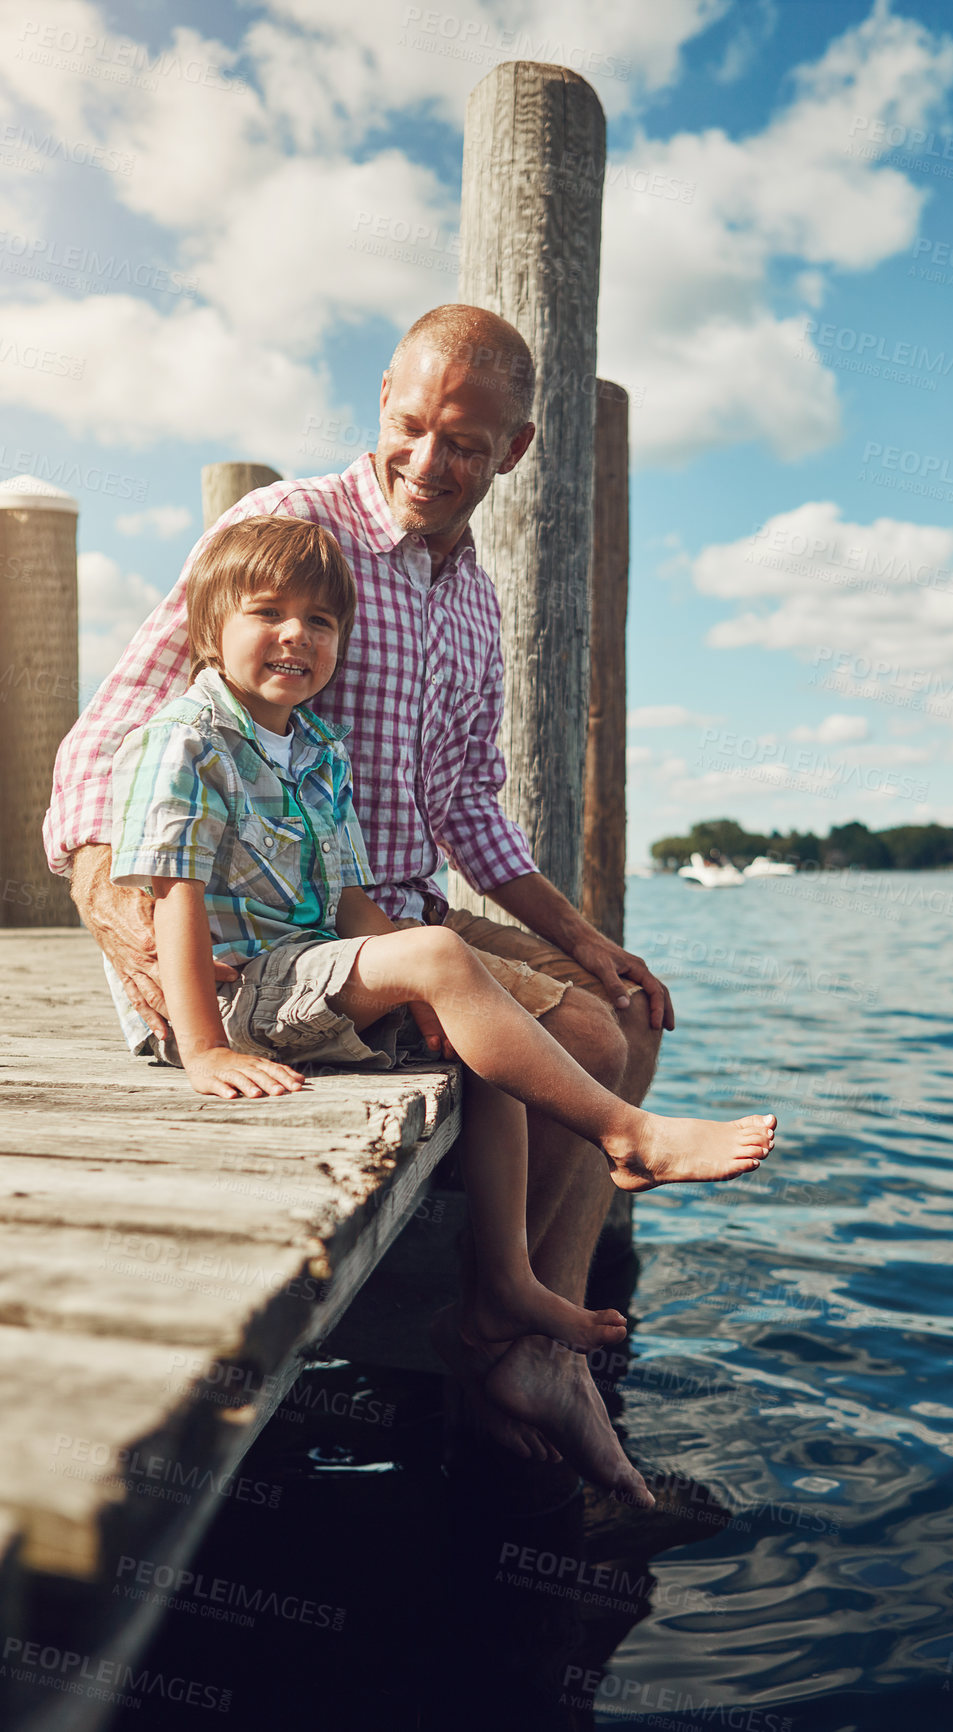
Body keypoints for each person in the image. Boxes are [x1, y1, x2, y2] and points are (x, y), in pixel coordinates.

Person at [43, 302, 707, 1496]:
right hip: (290, 933)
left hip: (387, 906)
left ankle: (522, 1332)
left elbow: (469, 814)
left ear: (512, 449)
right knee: (590, 1037)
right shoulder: (286, 530)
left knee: (629, 1009)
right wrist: (111, 899)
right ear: (382, 405)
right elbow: (108, 737)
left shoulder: (474, 599)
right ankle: (515, 1340)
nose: (428, 460)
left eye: (464, 441)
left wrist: (586, 937)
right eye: (410, 424)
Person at [108, 514, 775, 1502]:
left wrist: (420, 976)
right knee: (445, 961)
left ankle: (504, 1279)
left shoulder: (319, 749)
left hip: (309, 970)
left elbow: (347, 901)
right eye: (267, 614)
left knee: (483, 1021)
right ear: (210, 631)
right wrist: (199, 1049)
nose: (295, 636)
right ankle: (629, 1134)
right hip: (235, 992)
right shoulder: (188, 741)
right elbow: (173, 895)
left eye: (320, 622)